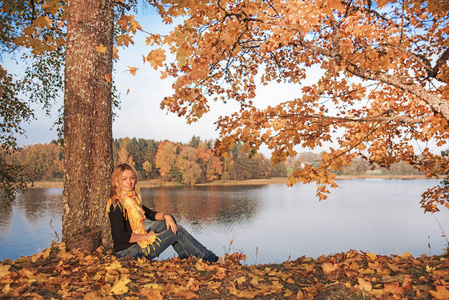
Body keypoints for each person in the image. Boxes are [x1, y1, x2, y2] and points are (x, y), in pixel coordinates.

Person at [107, 163, 222, 263]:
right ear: (117, 181)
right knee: (178, 232)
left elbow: (150, 214)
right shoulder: (116, 204)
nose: (129, 182)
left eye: (132, 178)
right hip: (129, 252)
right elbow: (121, 237)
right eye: (124, 179)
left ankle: (186, 257)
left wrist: (166, 216)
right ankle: (211, 259)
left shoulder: (132, 200)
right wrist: (147, 236)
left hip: (138, 244)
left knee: (168, 221)